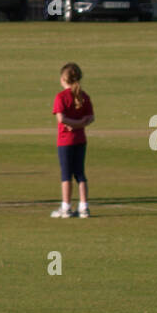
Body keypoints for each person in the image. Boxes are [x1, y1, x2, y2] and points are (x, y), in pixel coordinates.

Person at [51, 62, 93, 218]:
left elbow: (61, 118)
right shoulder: (84, 96)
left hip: (65, 141)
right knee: (80, 174)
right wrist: (80, 124)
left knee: (66, 175)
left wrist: (73, 125)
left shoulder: (61, 97)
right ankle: (84, 207)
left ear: (63, 79)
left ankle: (66, 207)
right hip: (80, 139)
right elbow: (90, 118)